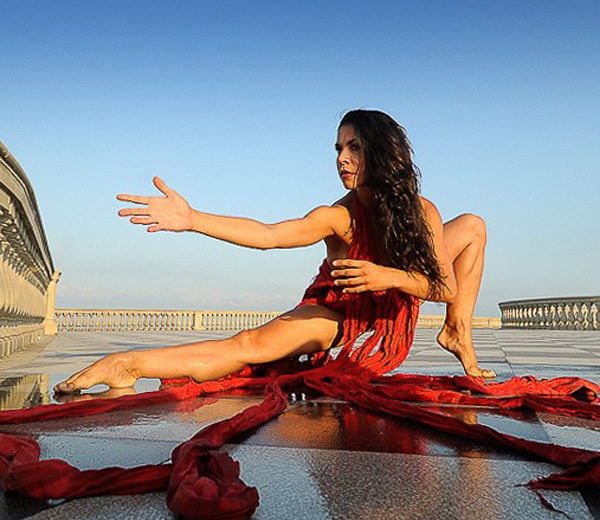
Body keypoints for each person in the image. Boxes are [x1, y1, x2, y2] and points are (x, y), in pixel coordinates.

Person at [54, 110, 494, 394]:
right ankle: (127, 364)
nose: (341, 157)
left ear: (381, 152)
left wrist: (388, 276)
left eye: (353, 147)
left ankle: (458, 334)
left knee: (473, 226)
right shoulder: (338, 216)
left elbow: (443, 284)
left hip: (393, 295)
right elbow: (268, 234)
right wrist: (193, 220)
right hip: (341, 311)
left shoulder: (423, 212)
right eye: (338, 148)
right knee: (248, 345)